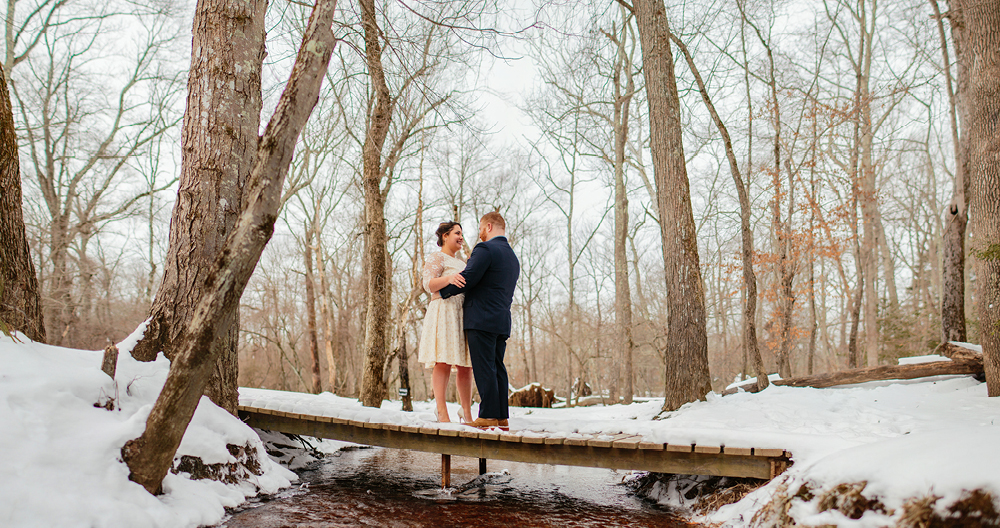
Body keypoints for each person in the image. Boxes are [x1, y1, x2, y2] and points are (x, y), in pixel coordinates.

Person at [440, 211, 520, 430]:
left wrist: (442, 293)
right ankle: (501, 417)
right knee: (497, 366)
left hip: (481, 318)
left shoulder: (485, 249)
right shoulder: (512, 257)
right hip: (501, 319)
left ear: (489, 227)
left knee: (484, 367)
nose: (480, 233)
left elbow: (468, 278)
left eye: (481, 228)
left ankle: (487, 415)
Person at [417, 221, 474, 423]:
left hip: (461, 313)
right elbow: (428, 284)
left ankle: (466, 412)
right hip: (443, 311)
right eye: (457, 233)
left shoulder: (463, 264)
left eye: (462, 233)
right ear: (445, 236)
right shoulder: (437, 257)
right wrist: (449, 279)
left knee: (466, 365)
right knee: (443, 360)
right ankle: (441, 411)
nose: (461, 237)